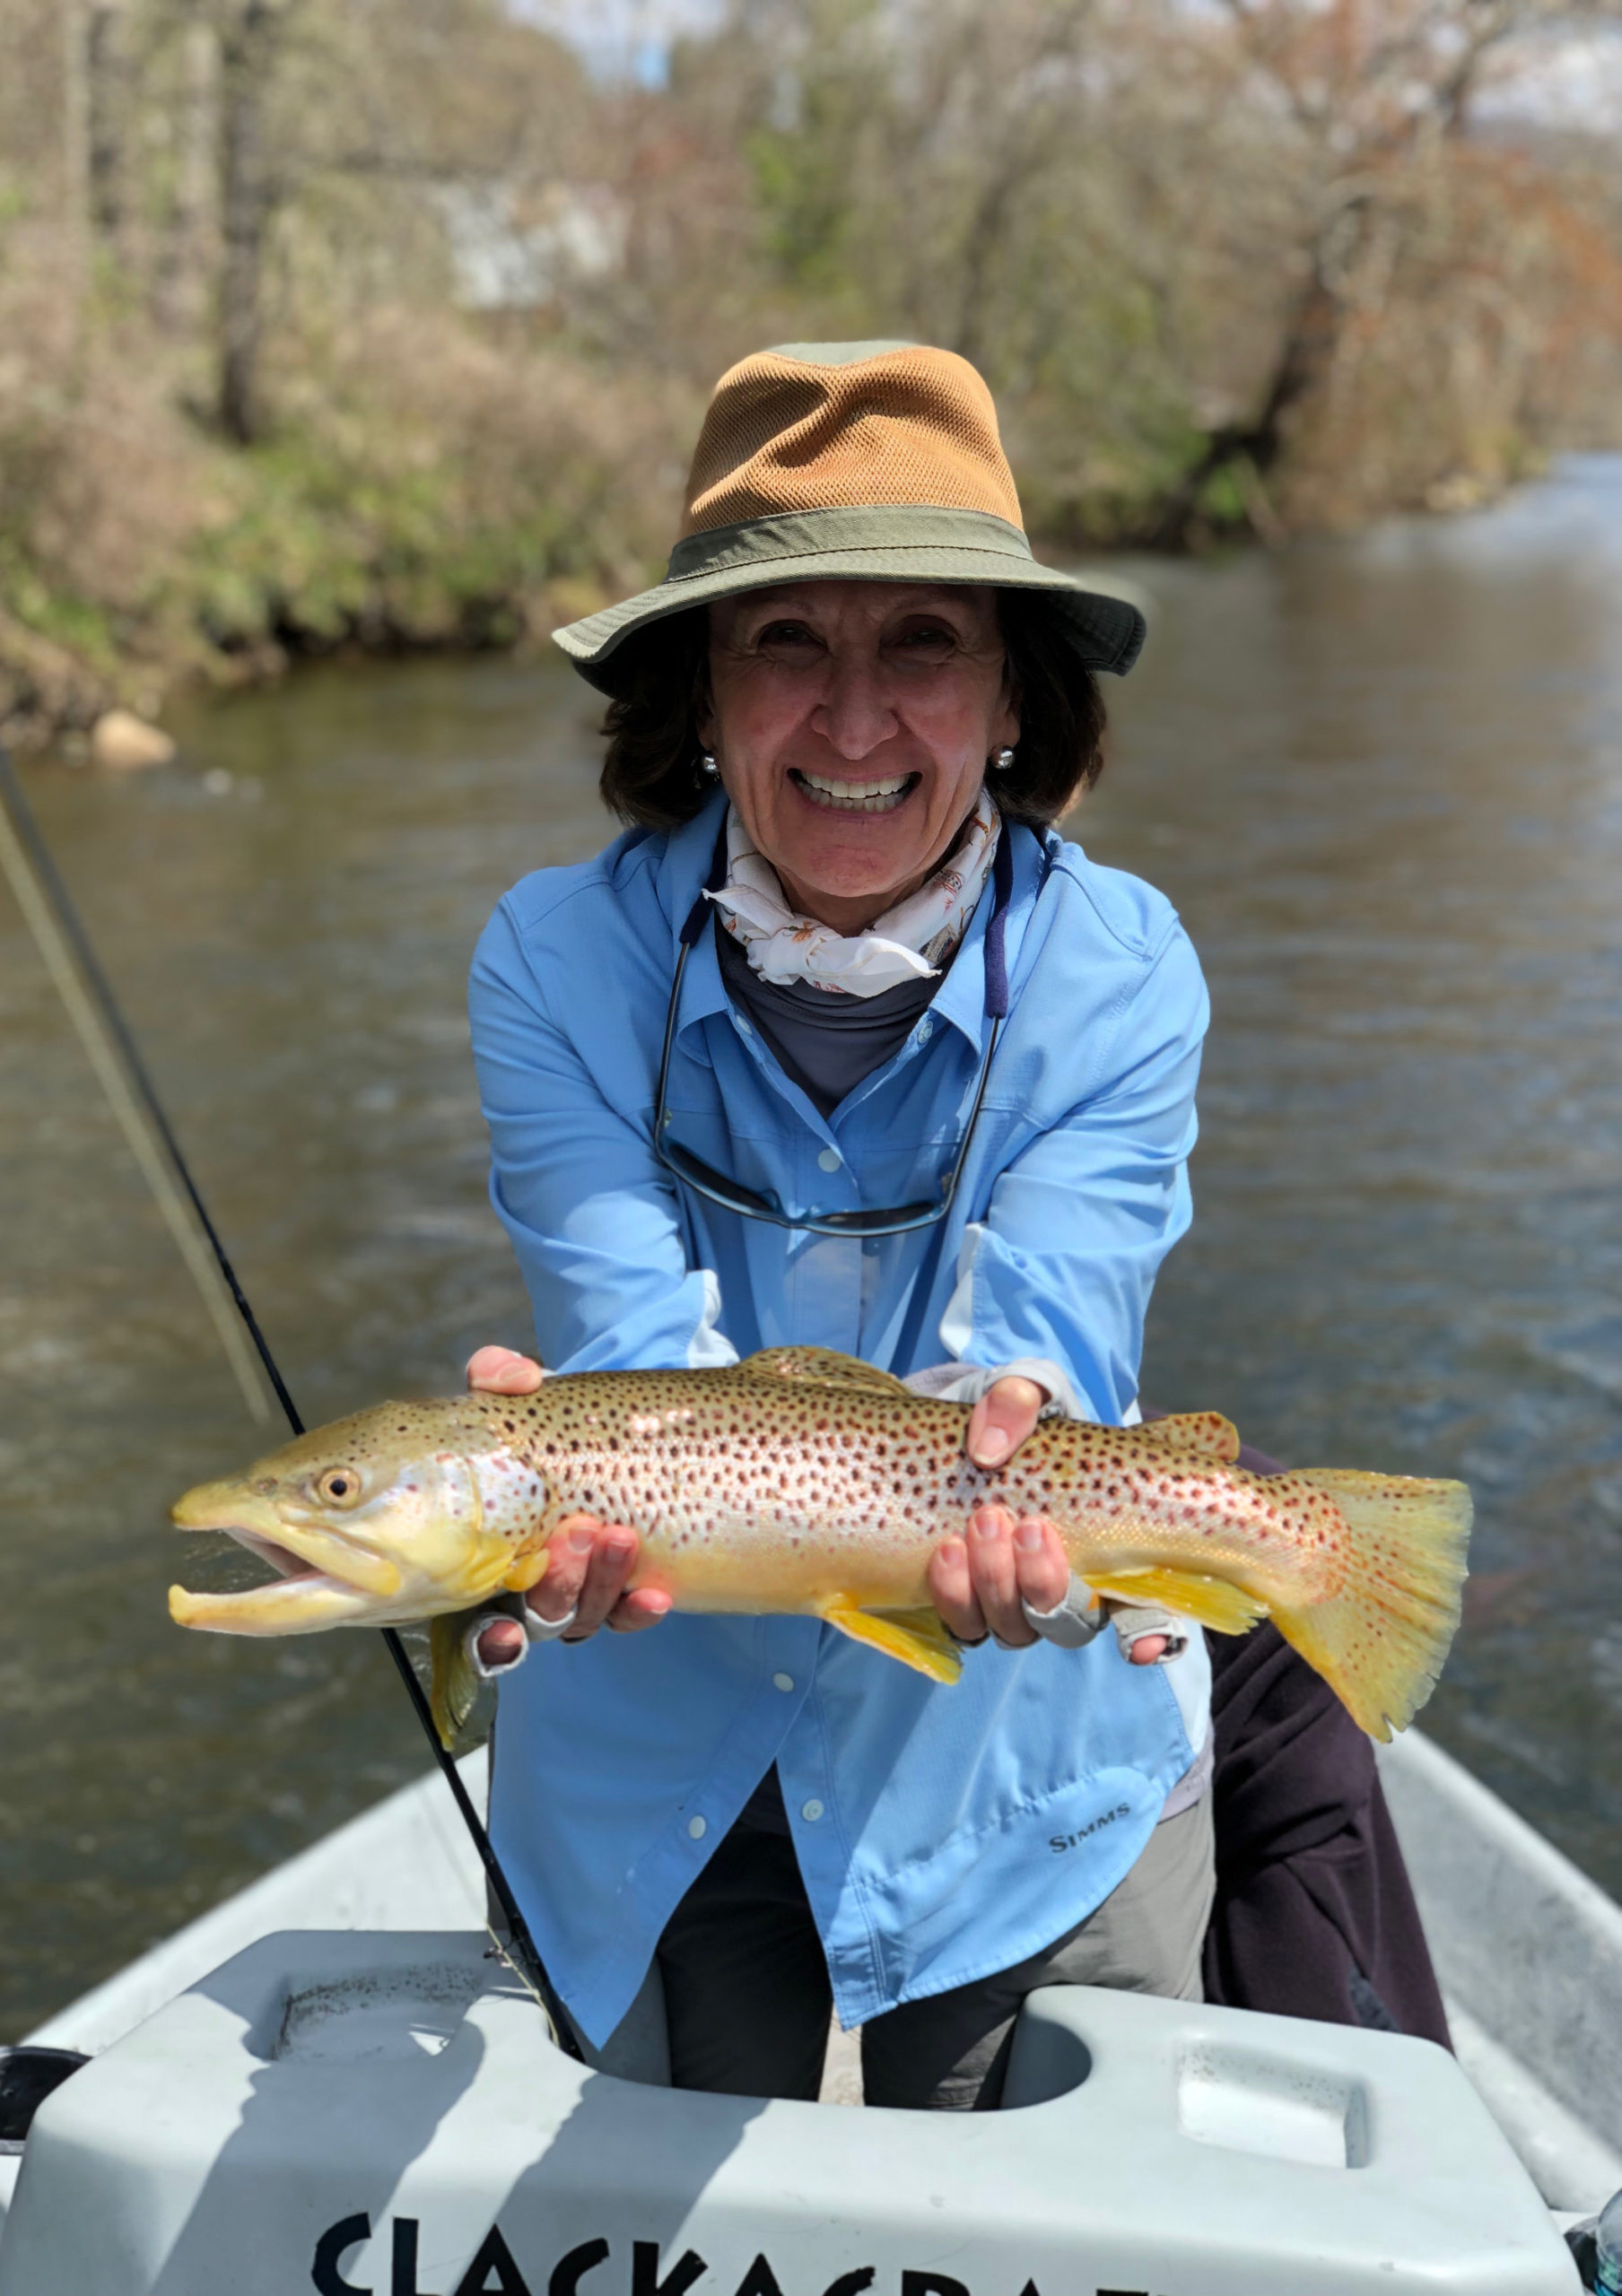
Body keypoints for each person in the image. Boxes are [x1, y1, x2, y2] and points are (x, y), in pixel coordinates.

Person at [458, 342, 1218, 2112]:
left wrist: (1023, 1482)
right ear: (702, 697)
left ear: (1016, 695)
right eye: (788, 640)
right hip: (655, 1751)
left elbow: (1043, 1354)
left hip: (1012, 1770)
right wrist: (567, 1502)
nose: (856, 720)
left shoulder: (1123, 973)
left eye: (925, 645)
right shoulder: (552, 960)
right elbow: (635, 1362)